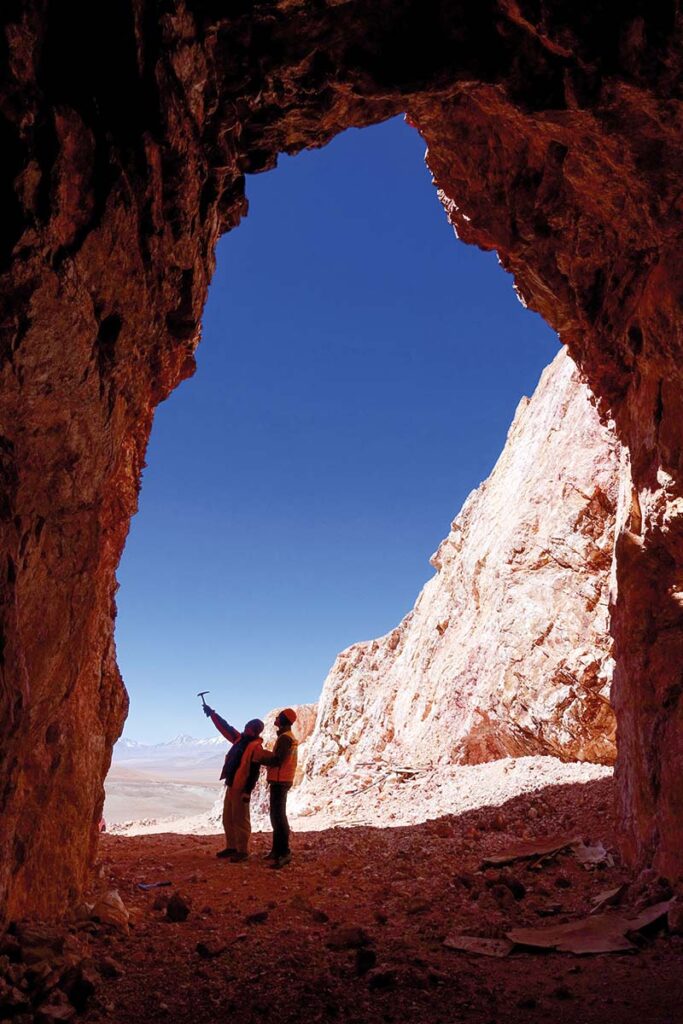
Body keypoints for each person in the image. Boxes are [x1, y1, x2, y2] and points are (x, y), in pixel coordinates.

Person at [203, 704, 264, 862]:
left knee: (241, 819)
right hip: (231, 785)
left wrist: (247, 791)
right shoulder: (240, 739)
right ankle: (231, 847)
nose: (245, 729)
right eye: (246, 726)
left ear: (255, 731)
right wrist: (213, 715)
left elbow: (254, 772)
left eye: (249, 728)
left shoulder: (255, 747)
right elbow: (226, 728)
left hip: (241, 787)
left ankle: (242, 850)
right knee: (228, 817)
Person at [256, 708, 299, 869]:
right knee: (276, 816)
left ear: (283, 720)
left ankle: (284, 852)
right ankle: (277, 850)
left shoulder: (284, 739)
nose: (276, 719)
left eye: (279, 717)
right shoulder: (286, 737)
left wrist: (260, 758)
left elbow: (278, 760)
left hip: (280, 781)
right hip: (283, 780)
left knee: (278, 817)